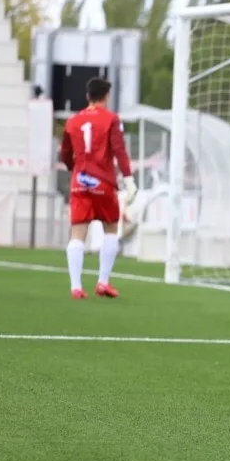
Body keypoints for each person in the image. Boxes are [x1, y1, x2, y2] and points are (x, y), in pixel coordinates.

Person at [59, 77, 138, 299]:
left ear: (87, 96)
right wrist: (129, 180)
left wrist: (74, 169)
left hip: (80, 183)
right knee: (111, 229)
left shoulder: (73, 121)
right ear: (106, 96)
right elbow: (119, 150)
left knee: (77, 233)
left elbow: (65, 153)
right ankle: (102, 282)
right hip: (103, 182)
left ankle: (76, 287)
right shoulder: (111, 119)